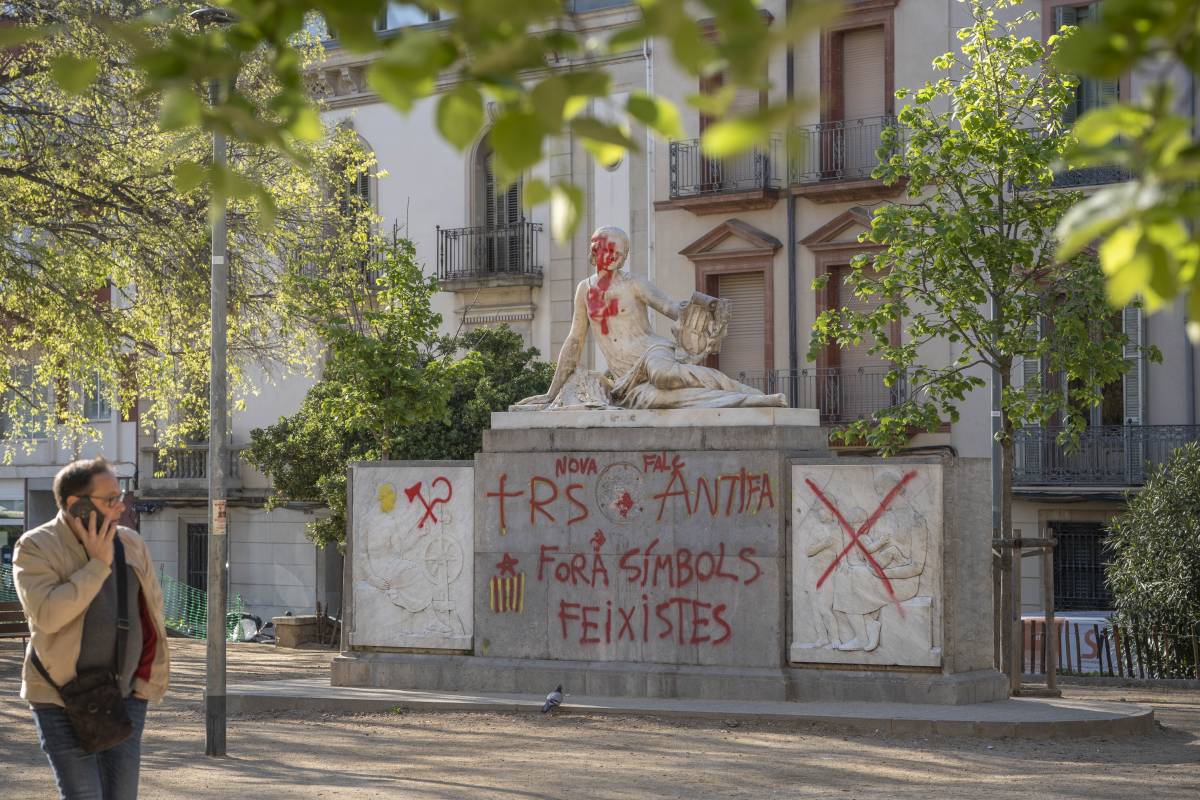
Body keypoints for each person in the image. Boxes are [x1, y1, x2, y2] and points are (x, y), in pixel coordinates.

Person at [13, 457, 170, 799]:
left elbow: (151, 616)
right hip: (61, 698)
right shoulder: (35, 546)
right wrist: (98, 565)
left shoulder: (130, 543)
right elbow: (48, 615)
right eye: (110, 499)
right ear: (75, 504)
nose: (121, 506)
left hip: (126, 698)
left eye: (120, 496)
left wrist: (144, 684)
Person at [517, 225, 787, 410]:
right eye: (609, 249)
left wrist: (698, 311)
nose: (614, 257)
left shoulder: (634, 283)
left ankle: (744, 390)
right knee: (666, 400)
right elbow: (574, 340)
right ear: (595, 249)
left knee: (664, 375)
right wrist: (552, 393)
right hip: (625, 380)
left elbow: (670, 307)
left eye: (620, 253)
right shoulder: (584, 291)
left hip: (652, 352)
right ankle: (750, 402)